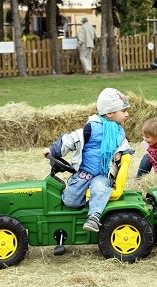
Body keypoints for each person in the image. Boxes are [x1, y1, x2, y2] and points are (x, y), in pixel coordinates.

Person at [43, 88, 131, 232]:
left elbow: (124, 145)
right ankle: (86, 203)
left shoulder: (119, 132)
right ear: (109, 113)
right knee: (70, 201)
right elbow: (72, 139)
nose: (127, 114)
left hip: (103, 174)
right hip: (85, 172)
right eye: (123, 111)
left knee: (99, 188)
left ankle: (94, 217)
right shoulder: (92, 127)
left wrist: (121, 153)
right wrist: (53, 150)